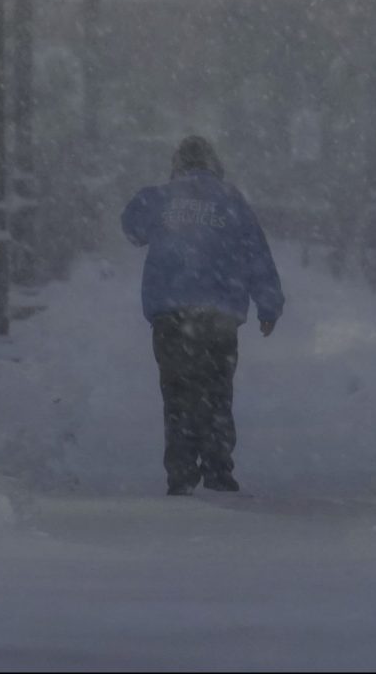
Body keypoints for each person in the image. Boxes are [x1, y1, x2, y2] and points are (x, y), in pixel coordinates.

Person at [121, 136, 284, 496]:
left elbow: (132, 228)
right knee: (216, 390)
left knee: (177, 391)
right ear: (214, 164)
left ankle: (180, 471)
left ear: (177, 164)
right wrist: (268, 305)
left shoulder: (160, 197)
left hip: (170, 313)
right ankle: (217, 468)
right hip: (218, 313)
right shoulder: (231, 201)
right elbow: (256, 252)